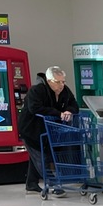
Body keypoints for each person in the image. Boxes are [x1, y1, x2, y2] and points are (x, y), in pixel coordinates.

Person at [19, 67, 79, 196]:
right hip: (30, 130)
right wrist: (59, 113)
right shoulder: (36, 90)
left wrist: (69, 111)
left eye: (63, 81)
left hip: (48, 130)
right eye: (58, 82)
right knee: (40, 157)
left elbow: (74, 105)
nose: (62, 85)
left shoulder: (65, 92)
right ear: (49, 80)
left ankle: (31, 184)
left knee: (38, 156)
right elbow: (35, 108)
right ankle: (54, 184)